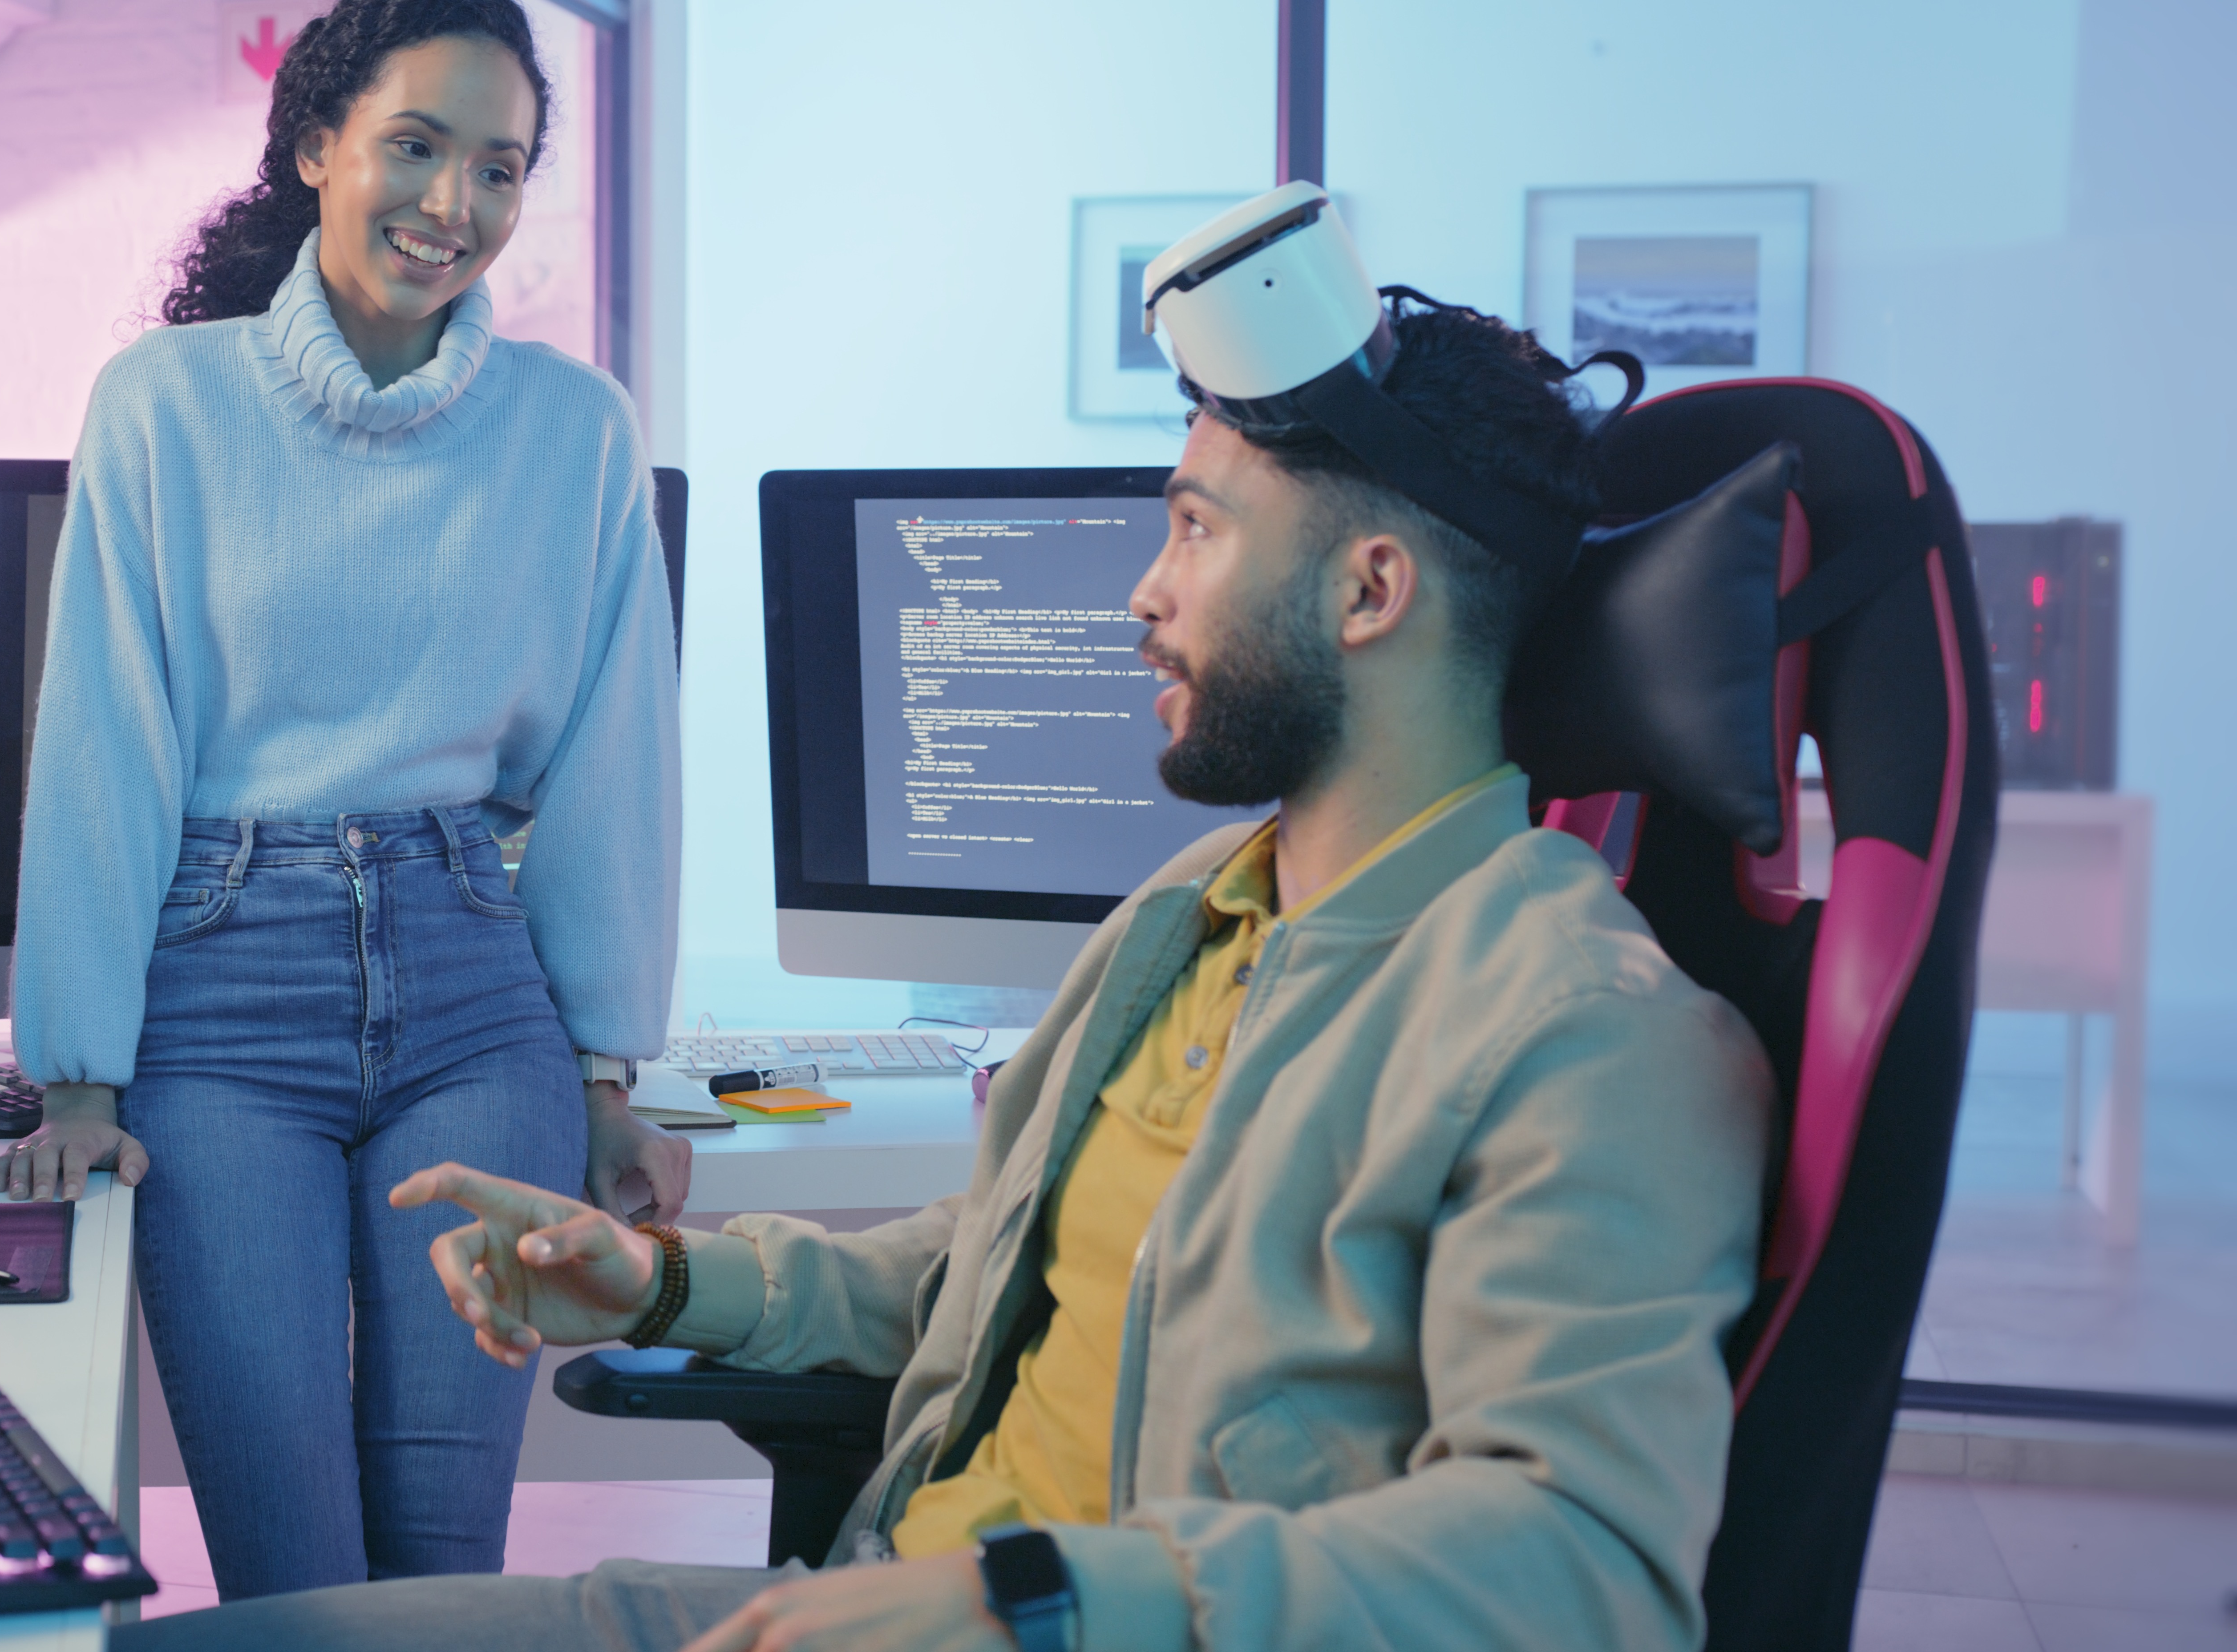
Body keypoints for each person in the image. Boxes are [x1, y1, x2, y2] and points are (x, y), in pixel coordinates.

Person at [116, 295, 1772, 1650]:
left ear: (1370, 590)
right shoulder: (1195, 911)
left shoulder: (1576, 1027)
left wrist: (1031, 1601)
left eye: (1197, 532)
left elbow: (1586, 1571)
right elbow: (984, 1273)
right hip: (845, 1602)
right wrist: (664, 1280)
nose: (1145, 593)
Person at [0, 0, 689, 1604]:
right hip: (221, 999)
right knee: (292, 1581)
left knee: (445, 1574)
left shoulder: (575, 431)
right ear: (316, 149)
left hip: (469, 988)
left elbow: (612, 762)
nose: (455, 204)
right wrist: (80, 1078)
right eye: (415, 146)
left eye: (498, 167)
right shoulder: (165, 404)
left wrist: (603, 1071)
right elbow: (106, 743)